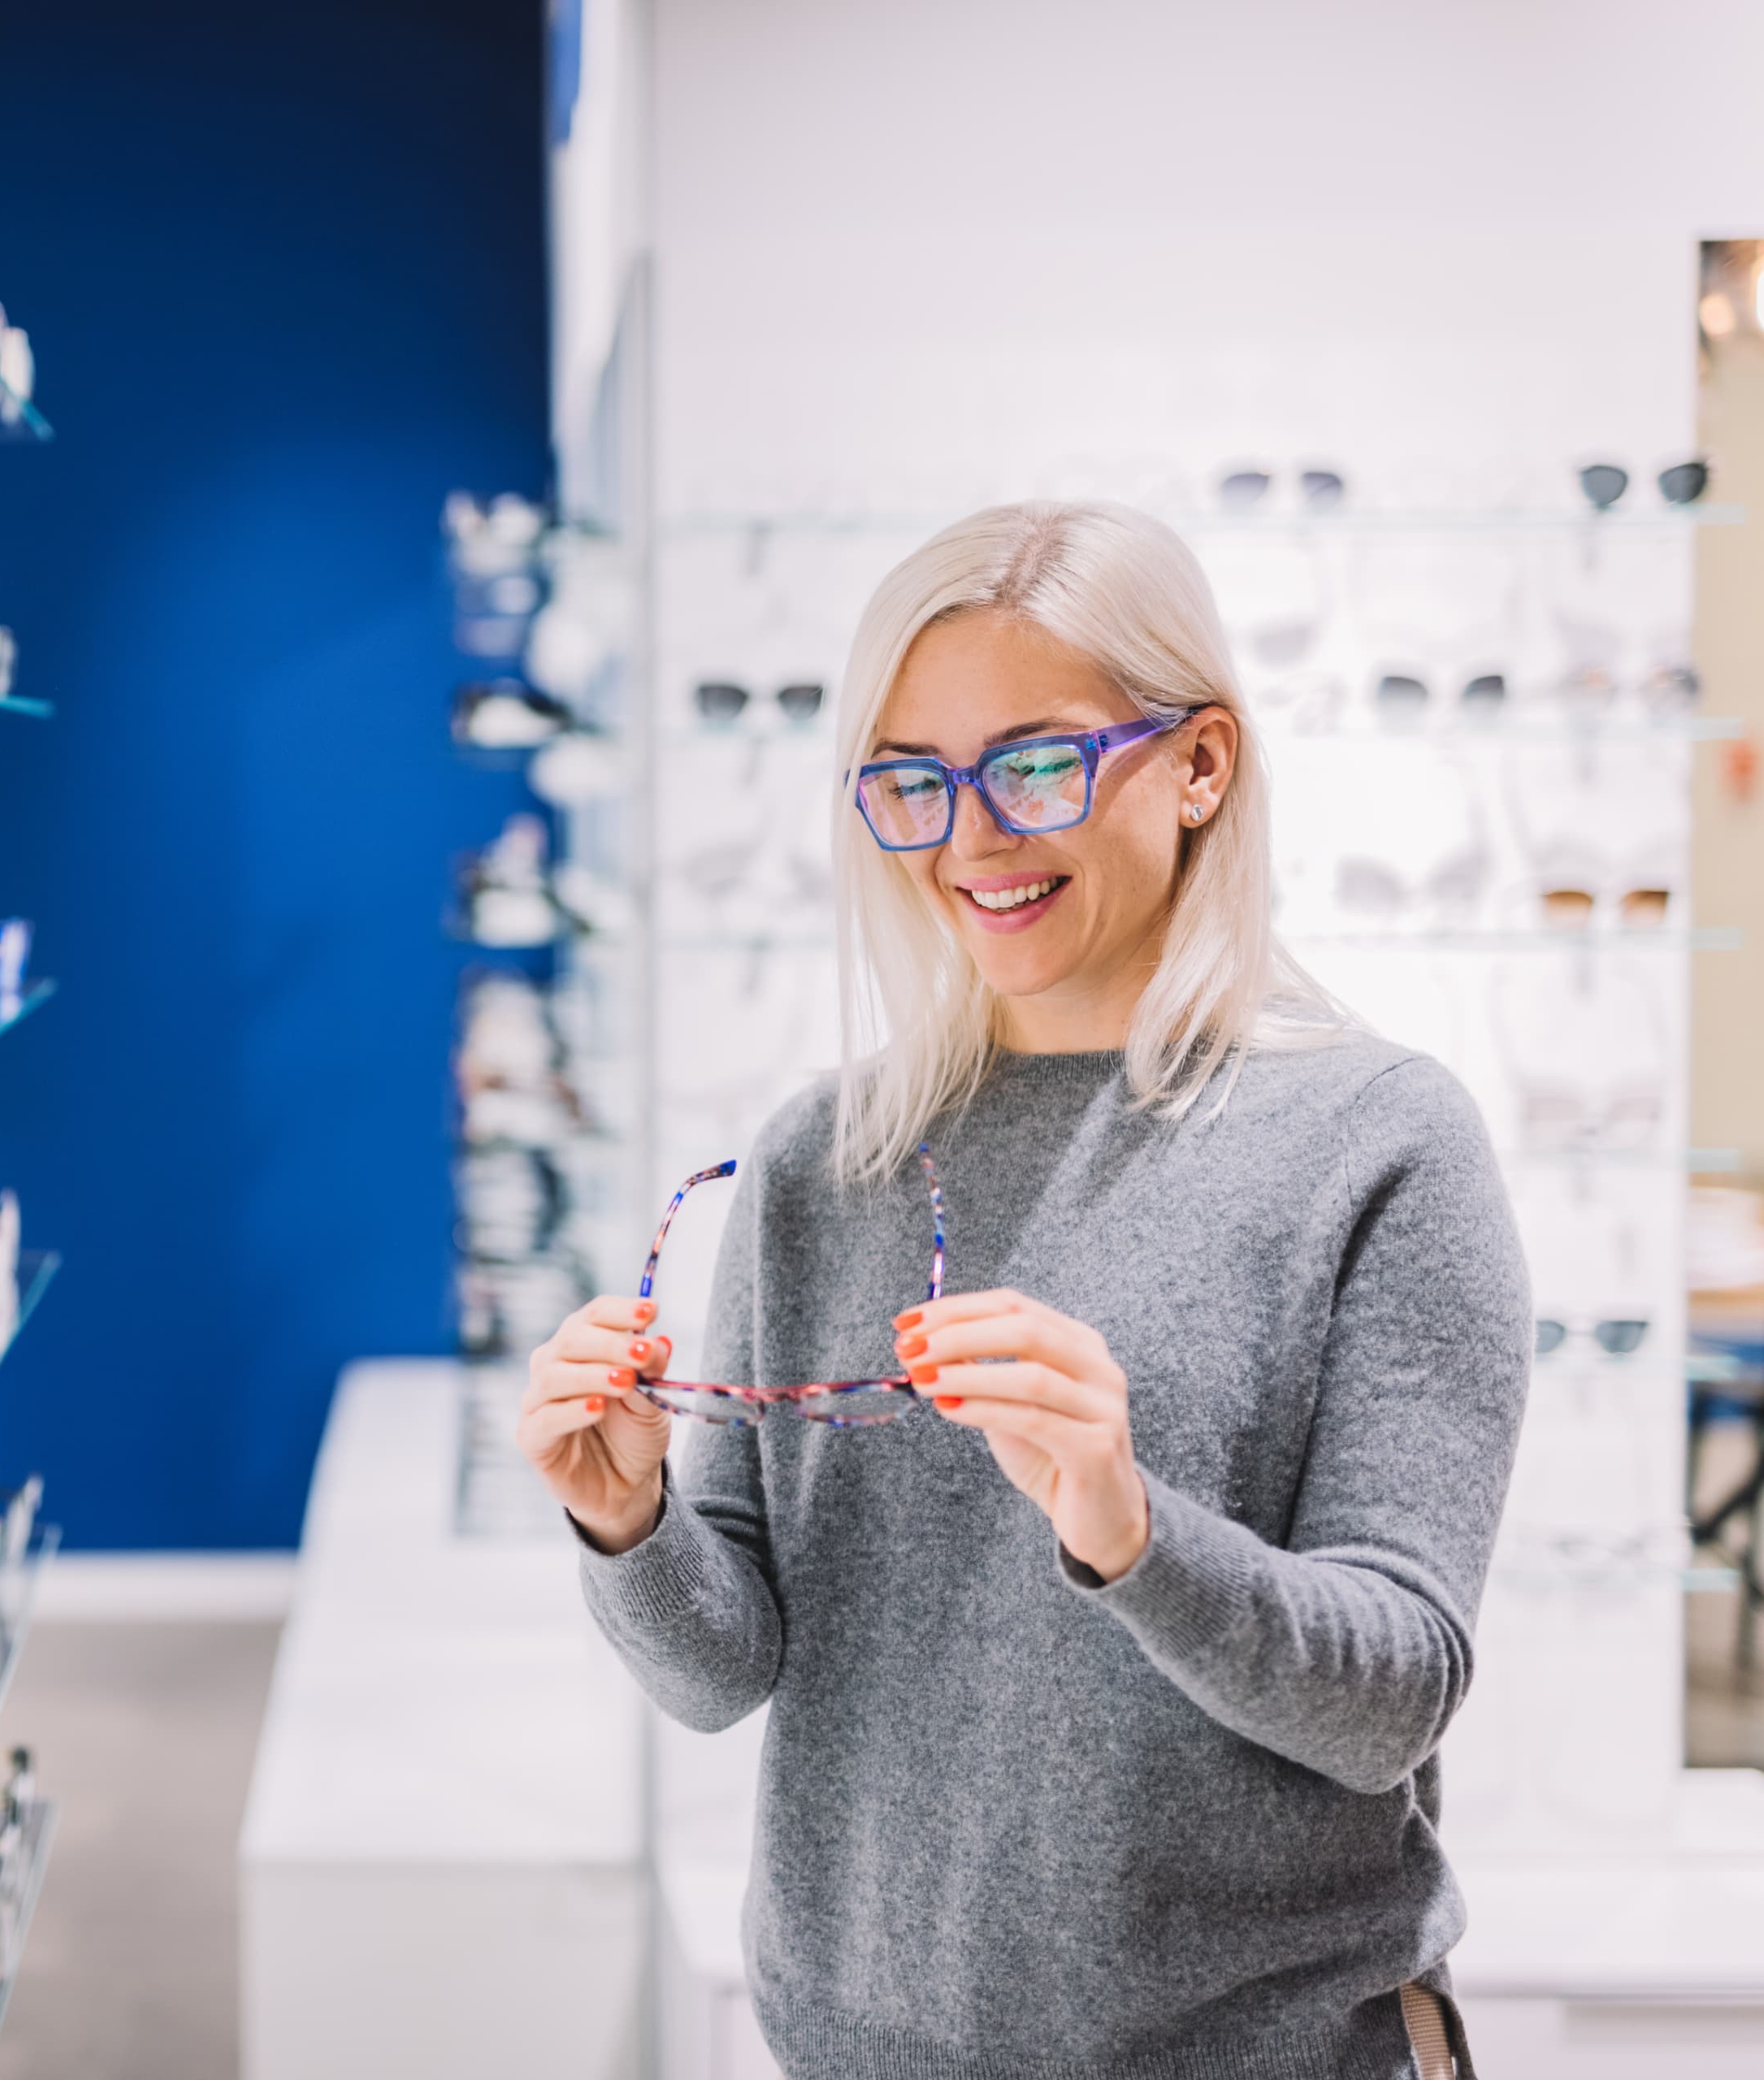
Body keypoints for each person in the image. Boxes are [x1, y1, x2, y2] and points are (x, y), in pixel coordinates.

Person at [522, 501, 1524, 2079]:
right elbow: (720, 1673)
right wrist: (626, 1520)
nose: (972, 838)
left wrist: (1131, 1531)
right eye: (915, 781)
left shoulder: (1380, 1142)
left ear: (1201, 764)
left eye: (1039, 763)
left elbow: (1391, 1692)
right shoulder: (823, 1160)